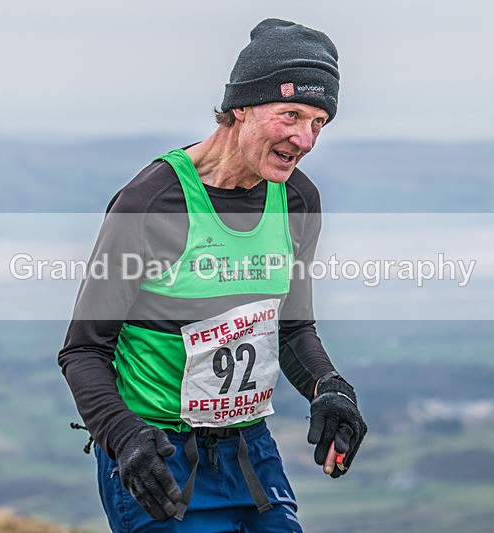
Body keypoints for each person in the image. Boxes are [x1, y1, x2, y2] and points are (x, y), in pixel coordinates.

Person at [58, 18, 367, 533]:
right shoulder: (152, 203)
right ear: (240, 107)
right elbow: (83, 351)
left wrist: (329, 388)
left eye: (319, 122)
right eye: (290, 114)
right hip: (158, 457)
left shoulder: (296, 200)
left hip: (250, 453)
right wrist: (125, 437)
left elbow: (291, 329)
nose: (305, 138)